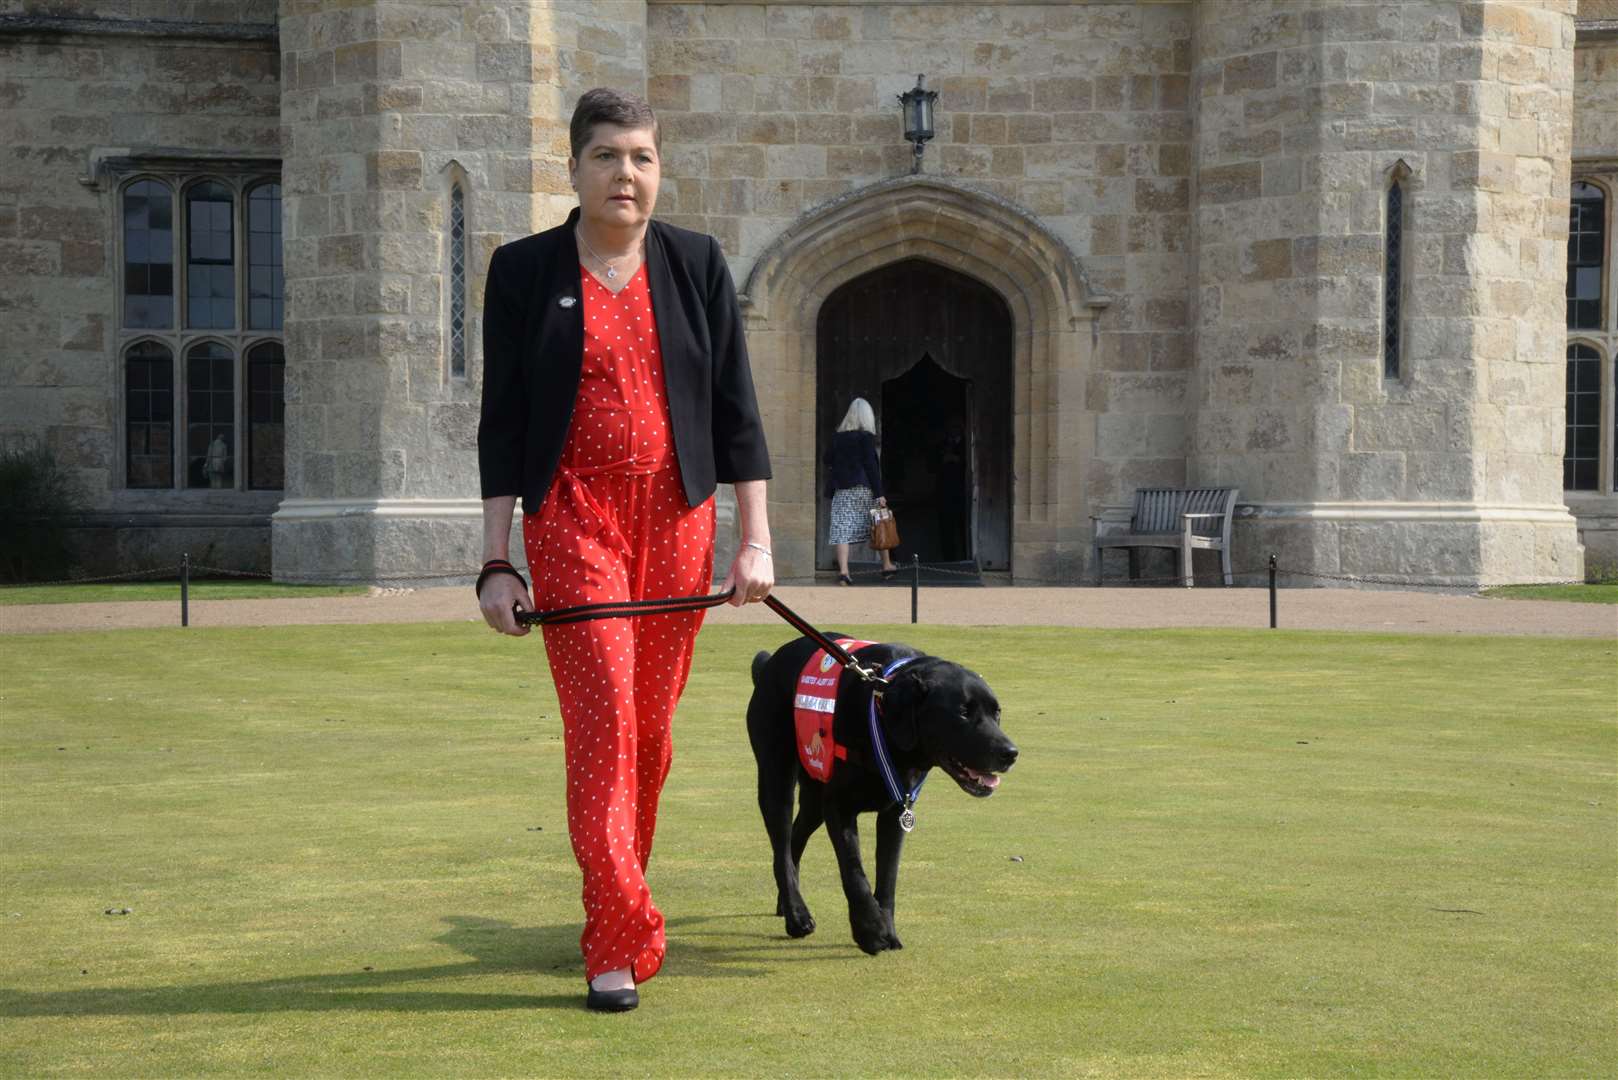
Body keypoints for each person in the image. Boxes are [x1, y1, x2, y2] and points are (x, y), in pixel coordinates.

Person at [475, 87, 773, 1013]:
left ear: (659, 171)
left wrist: (754, 540)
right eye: (607, 156)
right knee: (603, 725)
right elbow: (503, 422)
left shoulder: (696, 264)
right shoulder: (523, 271)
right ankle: (616, 938)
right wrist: (496, 559)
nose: (626, 175)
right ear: (573, 169)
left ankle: (619, 898)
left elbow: (736, 412)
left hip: (679, 524)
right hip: (570, 519)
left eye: (642, 157)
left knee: (649, 738)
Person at [822, 397, 896, 584]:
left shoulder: (837, 438)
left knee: (841, 528)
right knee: (878, 522)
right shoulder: (865, 438)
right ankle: (887, 566)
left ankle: (844, 573)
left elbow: (826, 459)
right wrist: (879, 493)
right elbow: (871, 466)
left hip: (843, 488)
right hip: (863, 487)